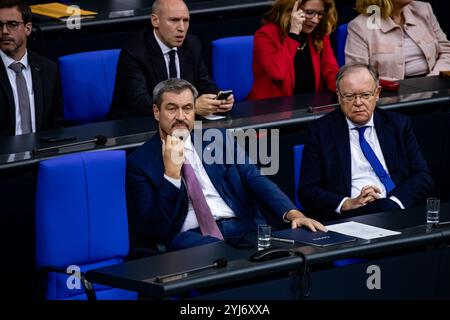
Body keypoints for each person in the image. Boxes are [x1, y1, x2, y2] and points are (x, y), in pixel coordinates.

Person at [126, 78, 326, 251]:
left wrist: (293, 214)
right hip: (191, 237)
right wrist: (171, 176)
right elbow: (154, 228)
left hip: (241, 225)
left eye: (187, 108)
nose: (180, 117)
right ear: (156, 111)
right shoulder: (140, 162)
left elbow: (253, 176)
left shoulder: (217, 138)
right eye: (171, 108)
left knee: (290, 257)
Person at [298, 63, 433, 220]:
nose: (358, 102)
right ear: (339, 96)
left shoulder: (398, 125)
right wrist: (346, 203)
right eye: (349, 96)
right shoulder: (321, 131)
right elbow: (307, 191)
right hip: (352, 216)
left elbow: (423, 176)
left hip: (397, 209)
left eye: (365, 95)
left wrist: (394, 203)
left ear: (377, 94)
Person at [108, 0, 233, 119]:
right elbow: (140, 103)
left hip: (179, 124)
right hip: (136, 126)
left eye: (186, 20)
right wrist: (191, 106)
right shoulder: (134, 52)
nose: (181, 28)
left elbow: (205, 84)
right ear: (155, 20)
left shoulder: (192, 44)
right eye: (174, 20)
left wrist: (218, 99)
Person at [248, 0, 339, 100]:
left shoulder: (318, 34)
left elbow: (331, 70)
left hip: (310, 106)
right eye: (309, 13)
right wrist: (294, 34)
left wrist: (347, 91)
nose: (315, 20)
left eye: (320, 13)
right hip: (271, 108)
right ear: (290, 10)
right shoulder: (265, 35)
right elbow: (277, 73)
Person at [0, 0, 63, 137]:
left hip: (41, 152)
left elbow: (56, 123)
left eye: (12, 24)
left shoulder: (49, 69)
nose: (4, 31)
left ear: (28, 28)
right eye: (0, 25)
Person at [345, 0, 450, 80]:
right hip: (389, 98)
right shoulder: (360, 26)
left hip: (436, 89)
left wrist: (433, 79)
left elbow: (446, 51)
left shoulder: (423, 9)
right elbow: (358, 74)